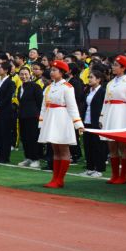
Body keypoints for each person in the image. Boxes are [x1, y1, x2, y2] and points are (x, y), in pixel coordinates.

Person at [39, 60, 84, 189]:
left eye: (55, 70)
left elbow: (72, 107)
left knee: (63, 150)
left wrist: (78, 123)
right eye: (51, 70)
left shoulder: (67, 87)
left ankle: (60, 179)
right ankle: (55, 178)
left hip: (63, 119)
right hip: (51, 118)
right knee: (55, 150)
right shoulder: (49, 87)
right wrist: (41, 122)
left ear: (62, 72)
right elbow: (44, 106)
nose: (52, 72)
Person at [99, 55, 126, 185]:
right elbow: (106, 101)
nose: (113, 67)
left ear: (123, 68)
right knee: (112, 147)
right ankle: (114, 175)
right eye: (113, 65)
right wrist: (102, 117)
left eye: (116, 65)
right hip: (110, 114)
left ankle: (123, 176)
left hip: (123, 115)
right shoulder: (110, 83)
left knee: (124, 147)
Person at [16, 67, 44, 168]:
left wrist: (40, 116)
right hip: (22, 116)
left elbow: (40, 102)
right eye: (21, 74)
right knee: (25, 138)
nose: (24, 76)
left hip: (33, 117)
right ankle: (28, 157)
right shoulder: (20, 88)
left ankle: (36, 159)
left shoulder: (35, 86)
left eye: (26, 74)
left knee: (33, 138)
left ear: (30, 74)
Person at [82, 68, 107, 178]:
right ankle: (90, 168)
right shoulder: (89, 90)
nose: (89, 79)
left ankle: (99, 169)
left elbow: (104, 108)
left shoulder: (102, 91)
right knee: (88, 146)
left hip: (97, 122)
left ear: (99, 79)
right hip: (87, 121)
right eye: (89, 77)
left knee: (98, 146)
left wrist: (101, 120)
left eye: (91, 77)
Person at [0, 60, 16, 165]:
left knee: (5, 134)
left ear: (6, 70)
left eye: (1, 67)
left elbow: (7, 98)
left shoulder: (10, 82)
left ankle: (5, 156)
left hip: (5, 112)